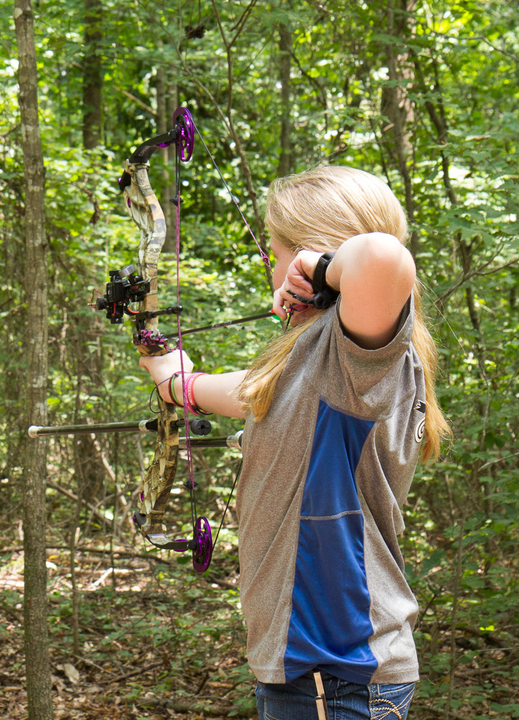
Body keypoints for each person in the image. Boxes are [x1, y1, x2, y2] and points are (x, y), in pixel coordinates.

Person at [138, 165, 448, 720]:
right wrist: (176, 381)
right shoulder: (316, 363)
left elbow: (383, 259)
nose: (272, 269)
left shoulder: (361, 363)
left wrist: (316, 266)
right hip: (303, 670)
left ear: (314, 261)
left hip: (339, 673)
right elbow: (248, 392)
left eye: (276, 255)